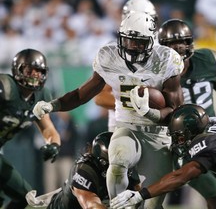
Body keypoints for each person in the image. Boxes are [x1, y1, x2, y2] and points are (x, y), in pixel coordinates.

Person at [32, 11, 184, 208]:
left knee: (152, 204)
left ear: (151, 41)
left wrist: (149, 112)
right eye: (129, 40)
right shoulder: (109, 56)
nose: (133, 46)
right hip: (127, 127)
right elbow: (81, 94)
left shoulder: (166, 60)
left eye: (139, 42)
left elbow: (175, 110)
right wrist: (53, 105)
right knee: (118, 160)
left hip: (158, 134)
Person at [157, 19, 216, 208]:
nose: (179, 48)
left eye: (183, 42)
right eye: (172, 44)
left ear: (191, 42)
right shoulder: (157, 72)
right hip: (181, 145)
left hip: (212, 138)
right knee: (212, 193)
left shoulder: (207, 60)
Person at [0, 48, 61, 209]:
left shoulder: (40, 97)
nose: (34, 74)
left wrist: (53, 144)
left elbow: (48, 128)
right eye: (29, 70)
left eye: (39, 71)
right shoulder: (5, 87)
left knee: (25, 198)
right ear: (18, 70)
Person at [26, 131, 141, 209]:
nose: (120, 164)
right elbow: (91, 205)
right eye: (115, 162)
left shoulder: (127, 165)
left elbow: (139, 195)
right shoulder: (84, 171)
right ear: (103, 162)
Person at [94, 0, 158, 132]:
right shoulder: (113, 52)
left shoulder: (163, 52)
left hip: (156, 126)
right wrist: (135, 104)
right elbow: (100, 97)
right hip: (122, 126)